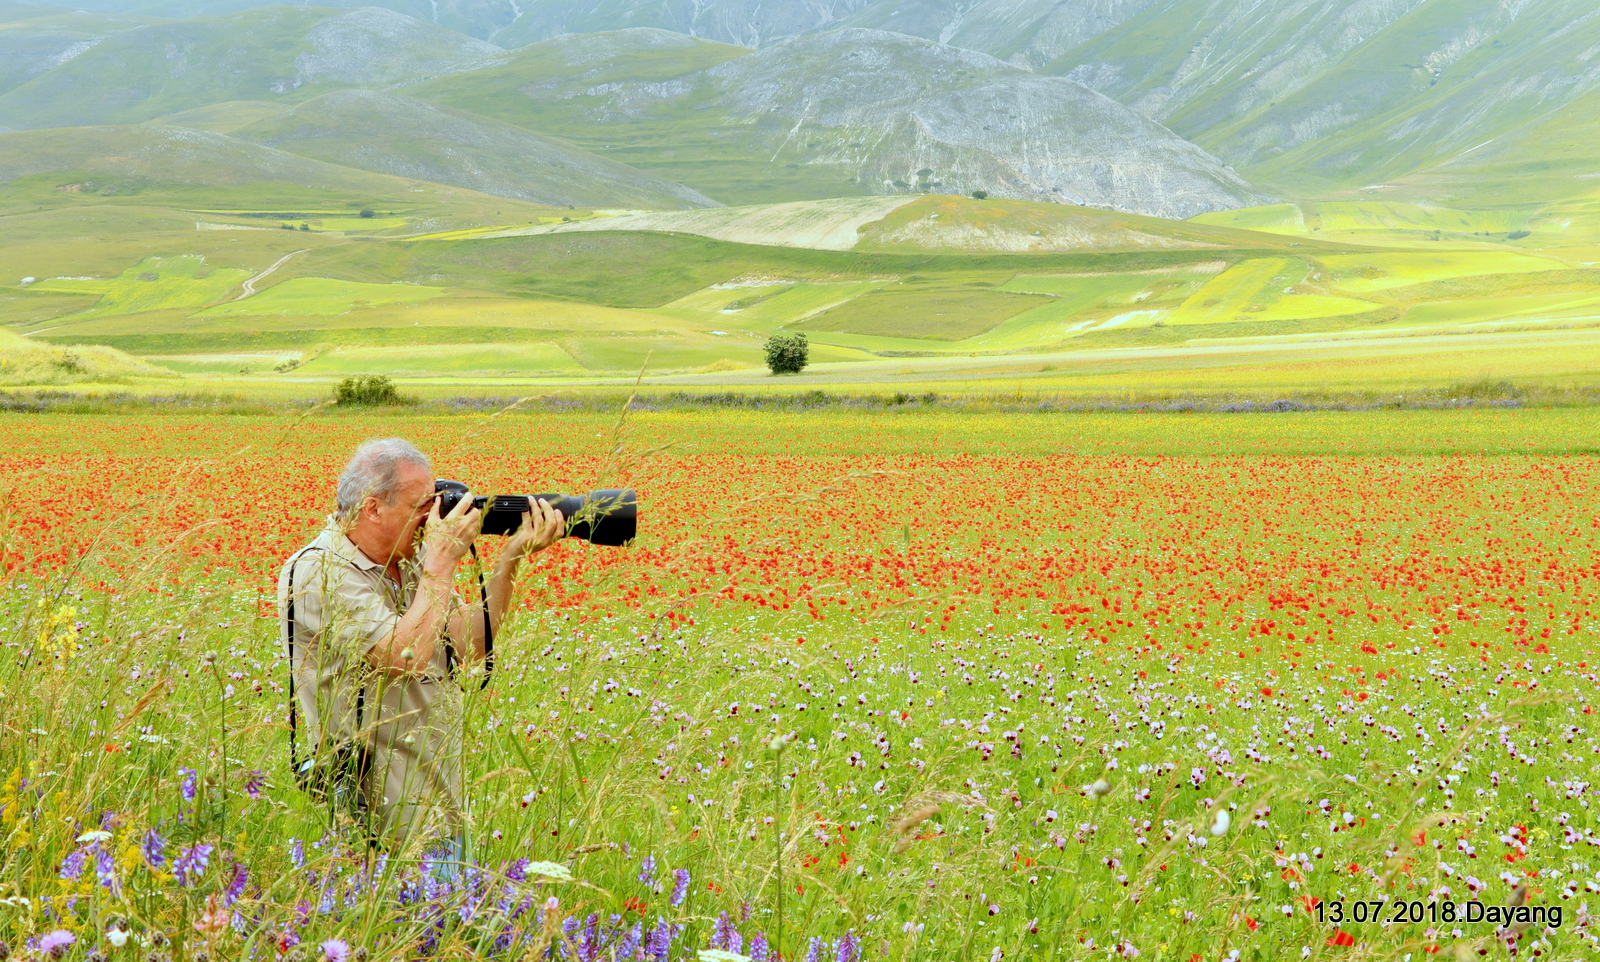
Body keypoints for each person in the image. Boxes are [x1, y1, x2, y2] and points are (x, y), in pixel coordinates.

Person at [278, 438, 563, 856]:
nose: (434, 519)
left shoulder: (412, 557)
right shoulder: (316, 571)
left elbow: (470, 647)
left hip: (440, 802)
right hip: (372, 818)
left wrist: (509, 560)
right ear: (373, 508)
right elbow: (402, 658)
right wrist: (442, 563)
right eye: (420, 508)